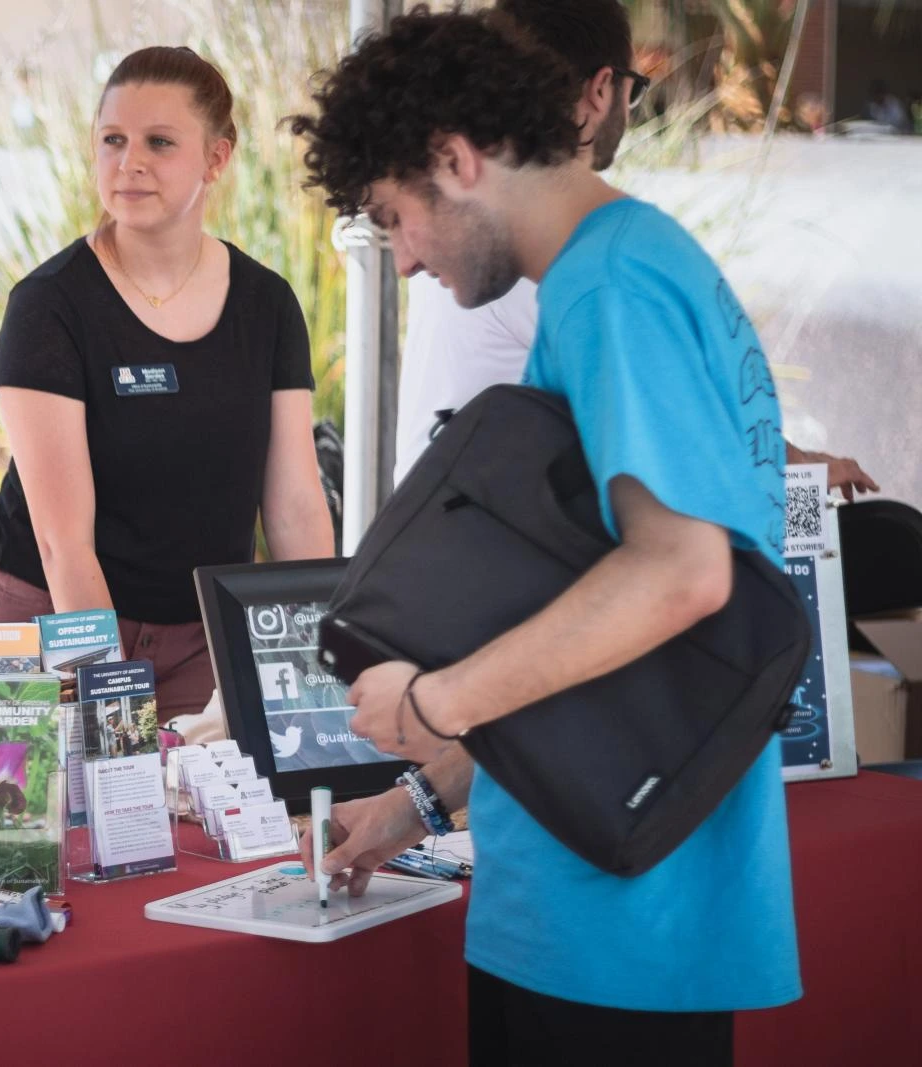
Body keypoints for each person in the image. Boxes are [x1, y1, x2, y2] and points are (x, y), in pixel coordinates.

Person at [290, 9, 799, 1063]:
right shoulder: (623, 268)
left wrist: (433, 700)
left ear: (455, 159)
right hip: (596, 877)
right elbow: (606, 637)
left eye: (394, 217)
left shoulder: (609, 288)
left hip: (615, 918)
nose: (406, 258)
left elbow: (680, 576)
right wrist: (424, 800)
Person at [0, 46, 335, 725]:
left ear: (216, 158)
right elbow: (62, 543)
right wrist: (113, 707)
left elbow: (296, 507)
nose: (129, 162)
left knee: (189, 824)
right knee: (24, 825)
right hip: (45, 614)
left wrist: (313, 670)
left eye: (159, 142)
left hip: (196, 636)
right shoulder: (49, 305)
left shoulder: (267, 304)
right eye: (112, 141)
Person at [395, 0, 878, 502]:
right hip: (478, 553)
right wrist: (792, 467)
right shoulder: (528, 230)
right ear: (602, 90)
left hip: (457, 539)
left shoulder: (490, 213)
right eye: (634, 89)